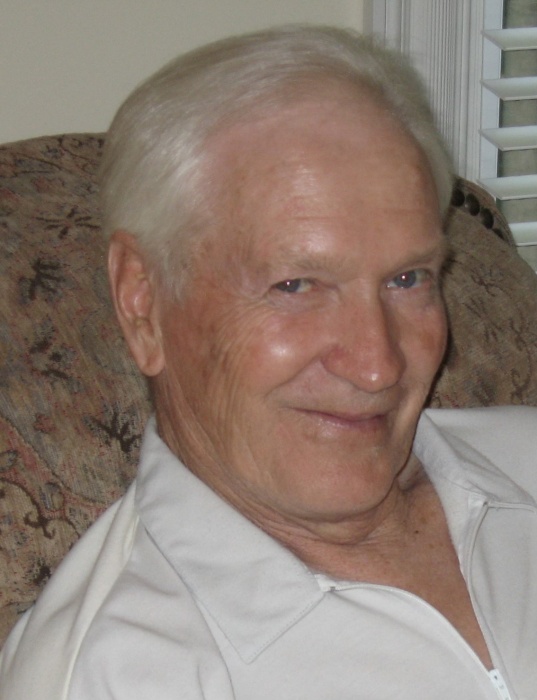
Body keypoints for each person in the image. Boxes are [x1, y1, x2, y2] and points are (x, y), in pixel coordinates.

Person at [0, 25, 536, 700]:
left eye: (407, 279)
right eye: (295, 285)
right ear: (142, 304)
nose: (376, 365)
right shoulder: (120, 674)